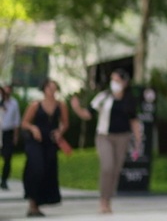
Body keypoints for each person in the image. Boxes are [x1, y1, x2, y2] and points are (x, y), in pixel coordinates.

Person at [71, 70, 143, 214]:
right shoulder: (103, 97)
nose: (114, 83)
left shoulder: (129, 99)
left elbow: (134, 121)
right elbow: (88, 114)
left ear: (124, 82)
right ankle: (103, 201)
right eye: (112, 80)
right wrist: (77, 108)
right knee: (107, 167)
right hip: (104, 137)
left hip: (122, 137)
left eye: (117, 80)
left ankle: (108, 200)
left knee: (116, 171)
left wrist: (138, 141)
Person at [21, 79, 68, 217]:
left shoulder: (61, 105)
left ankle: (37, 204)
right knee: (36, 167)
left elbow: (65, 123)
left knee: (48, 169)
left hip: (50, 141)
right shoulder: (35, 105)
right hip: (35, 141)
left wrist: (60, 132)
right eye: (49, 88)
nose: (52, 91)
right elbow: (24, 122)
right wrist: (33, 128)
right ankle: (32, 202)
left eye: (54, 88)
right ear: (44, 89)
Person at [1, 84, 18, 190]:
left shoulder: (14, 103)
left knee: (7, 157)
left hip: (8, 132)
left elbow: (16, 120)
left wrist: (15, 136)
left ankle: (4, 180)